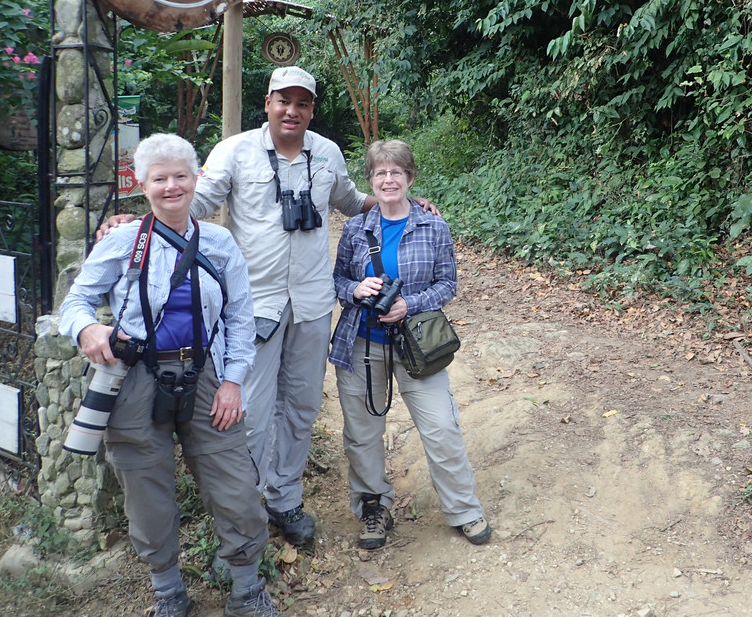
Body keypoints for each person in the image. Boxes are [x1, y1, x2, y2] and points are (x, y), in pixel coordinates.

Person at [100, 66, 437, 549]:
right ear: (268, 103)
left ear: (311, 110)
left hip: (314, 303)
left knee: (300, 408)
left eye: (302, 103)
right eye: (284, 101)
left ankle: (285, 499)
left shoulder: (327, 153)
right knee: (252, 412)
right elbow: (192, 202)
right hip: (253, 305)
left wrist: (403, 200)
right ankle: (247, 508)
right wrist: (133, 222)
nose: (292, 111)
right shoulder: (234, 152)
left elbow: (350, 199)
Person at [59, 134, 283, 617]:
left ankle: (246, 588)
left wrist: (233, 381)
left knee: (234, 483)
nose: (171, 186)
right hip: (136, 379)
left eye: (180, 175)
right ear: (143, 185)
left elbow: (241, 319)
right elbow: (74, 302)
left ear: (195, 179)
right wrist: (88, 328)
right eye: (159, 178)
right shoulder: (122, 240)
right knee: (144, 488)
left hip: (207, 375)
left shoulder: (220, 243)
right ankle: (168, 590)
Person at [330, 139, 491, 550]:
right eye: (380, 173)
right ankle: (373, 507)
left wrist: (408, 304)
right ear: (371, 180)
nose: (388, 179)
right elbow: (337, 282)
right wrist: (356, 289)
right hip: (362, 343)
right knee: (363, 434)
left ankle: (463, 509)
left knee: (441, 426)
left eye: (396, 172)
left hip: (417, 344)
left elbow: (447, 284)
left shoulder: (433, 226)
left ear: (410, 178)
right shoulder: (355, 229)